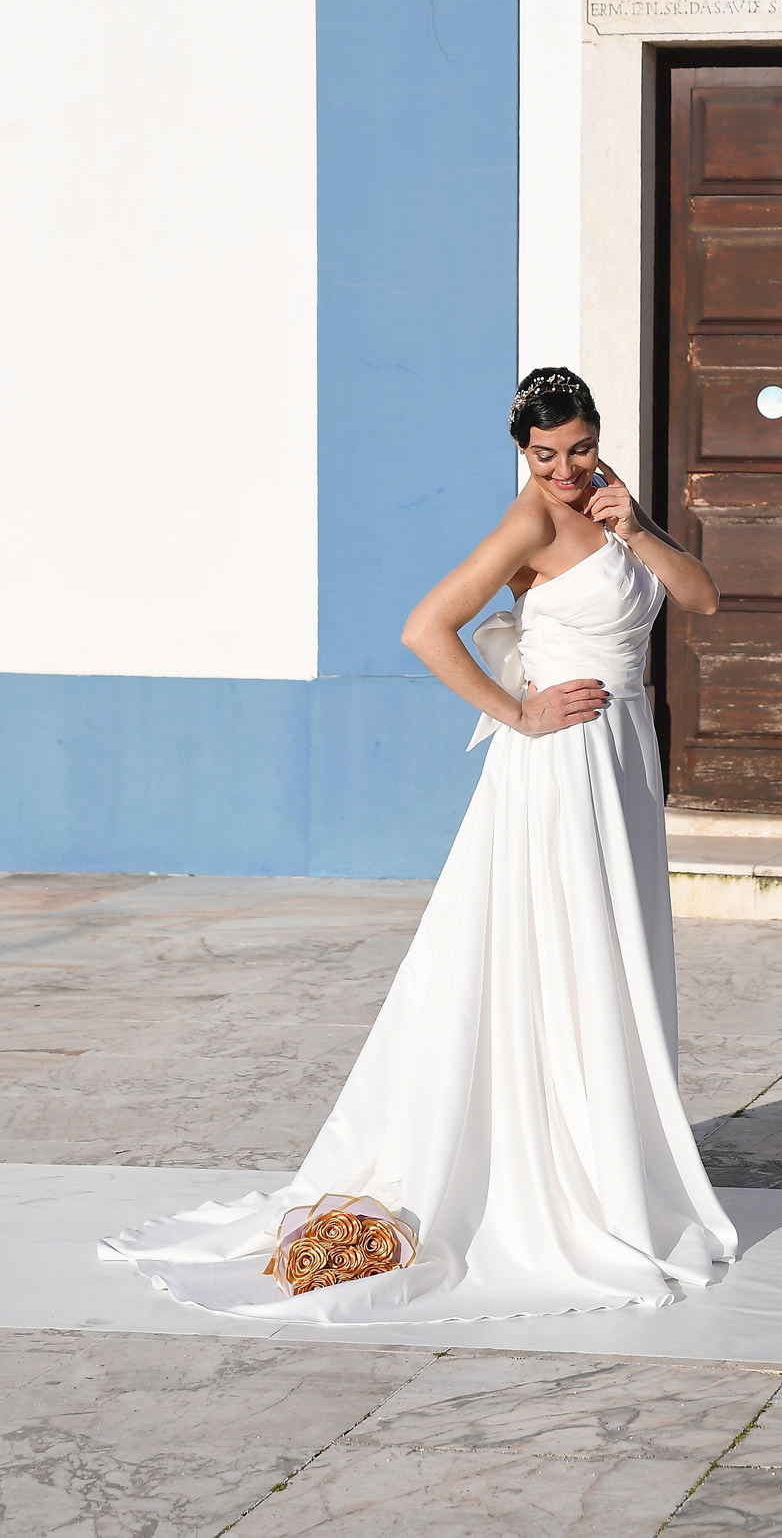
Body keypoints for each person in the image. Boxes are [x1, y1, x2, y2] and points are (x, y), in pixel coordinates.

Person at [100, 368, 737, 1324]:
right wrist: (519, 713)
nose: (564, 470)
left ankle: (605, 1156)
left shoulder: (612, 505)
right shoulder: (529, 522)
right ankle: (555, 1171)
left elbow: (705, 599)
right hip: (561, 767)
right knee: (560, 955)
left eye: (578, 449)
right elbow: (424, 629)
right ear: (521, 451)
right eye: (545, 455)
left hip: (623, 763)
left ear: (598, 438)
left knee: (614, 955)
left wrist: (636, 529)